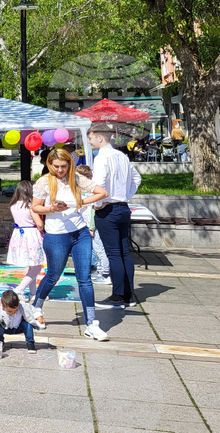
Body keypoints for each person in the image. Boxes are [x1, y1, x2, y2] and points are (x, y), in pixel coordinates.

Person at [31, 148, 109, 341]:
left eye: (63, 166)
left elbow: (102, 192)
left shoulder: (76, 178)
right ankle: (35, 307)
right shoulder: (44, 182)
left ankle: (91, 323)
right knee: (53, 275)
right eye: (56, 166)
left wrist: (82, 201)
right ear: (50, 164)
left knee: (85, 279)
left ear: (69, 164)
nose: (60, 170)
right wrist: (51, 208)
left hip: (80, 232)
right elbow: (35, 207)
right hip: (56, 234)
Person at [87, 125, 142, 309]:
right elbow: (137, 178)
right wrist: (125, 195)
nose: (89, 141)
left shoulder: (102, 157)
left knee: (114, 254)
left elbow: (99, 184)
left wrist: (98, 204)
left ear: (100, 138)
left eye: (91, 138)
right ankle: (128, 294)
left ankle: (118, 295)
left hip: (108, 208)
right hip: (123, 207)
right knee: (124, 253)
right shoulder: (122, 155)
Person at [5, 180, 44, 301]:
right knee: (37, 266)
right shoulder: (31, 206)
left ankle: (33, 293)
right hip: (31, 235)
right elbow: (39, 224)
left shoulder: (13, 205)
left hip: (19, 235)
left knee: (32, 266)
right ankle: (20, 289)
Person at [76, 164, 110, 284]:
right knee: (96, 249)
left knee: (100, 249)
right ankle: (100, 271)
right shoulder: (84, 191)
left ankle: (105, 273)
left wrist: (91, 227)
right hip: (88, 224)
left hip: (94, 225)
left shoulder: (93, 191)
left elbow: (93, 210)